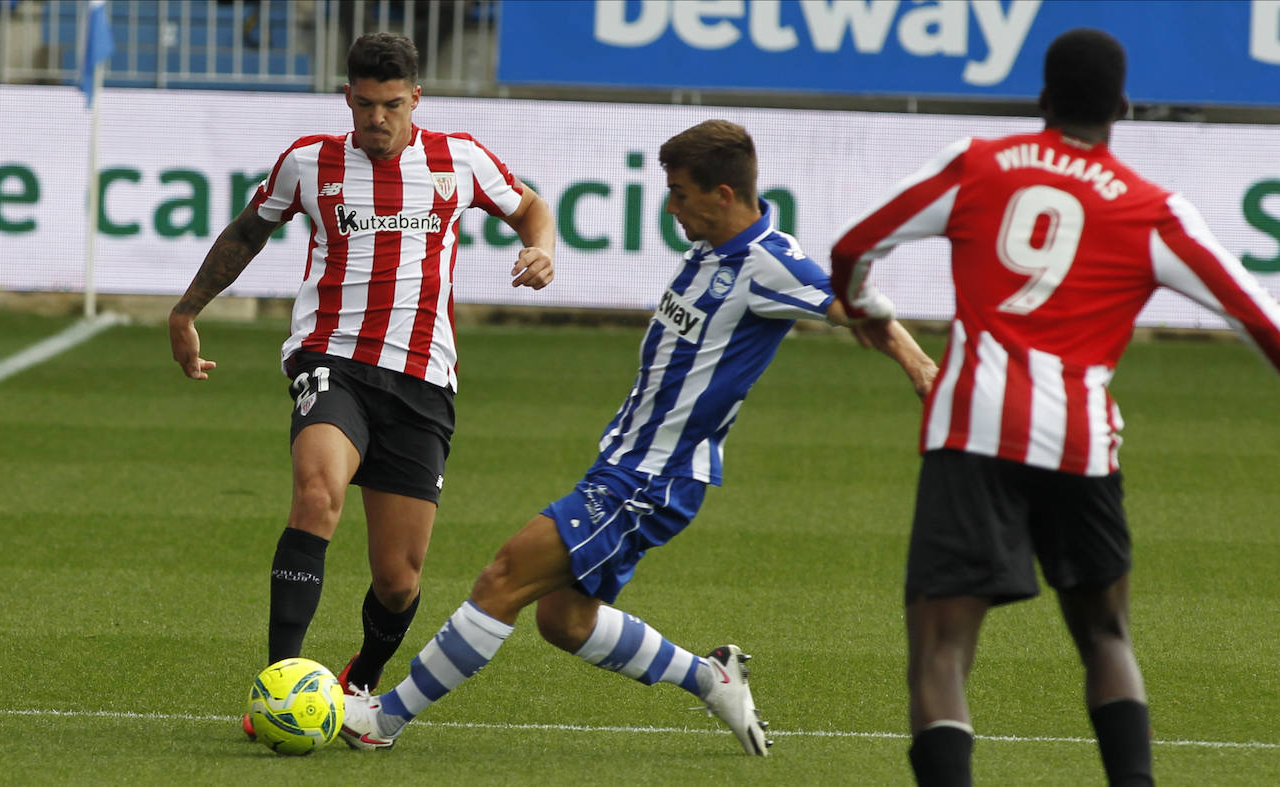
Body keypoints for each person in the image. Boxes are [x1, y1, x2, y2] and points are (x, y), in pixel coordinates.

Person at [335, 119, 939, 755]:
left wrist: (920, 366)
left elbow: (854, 307)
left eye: (680, 194)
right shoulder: (711, 248)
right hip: (627, 464)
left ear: (723, 195)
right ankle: (712, 677)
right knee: (564, 622)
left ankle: (385, 720)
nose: (671, 207)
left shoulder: (770, 264)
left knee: (502, 578)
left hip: (652, 478)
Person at [829, 28, 1280, 787]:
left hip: (970, 424)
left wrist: (866, 303)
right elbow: (1262, 321)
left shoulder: (977, 166)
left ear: (1041, 99)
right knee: (1107, 636)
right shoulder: (1153, 210)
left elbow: (852, 246)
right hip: (1079, 440)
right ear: (1123, 108)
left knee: (941, 652)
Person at [167, 32, 556, 738]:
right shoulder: (309, 163)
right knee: (318, 495)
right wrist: (187, 309)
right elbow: (247, 232)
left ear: (416, 100)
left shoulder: (458, 160)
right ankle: (278, 688)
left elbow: (531, 206)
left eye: (393, 105)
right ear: (347, 96)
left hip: (422, 380)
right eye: (366, 104)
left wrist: (541, 247)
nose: (378, 119)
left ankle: (362, 681)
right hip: (331, 360)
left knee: (399, 578)